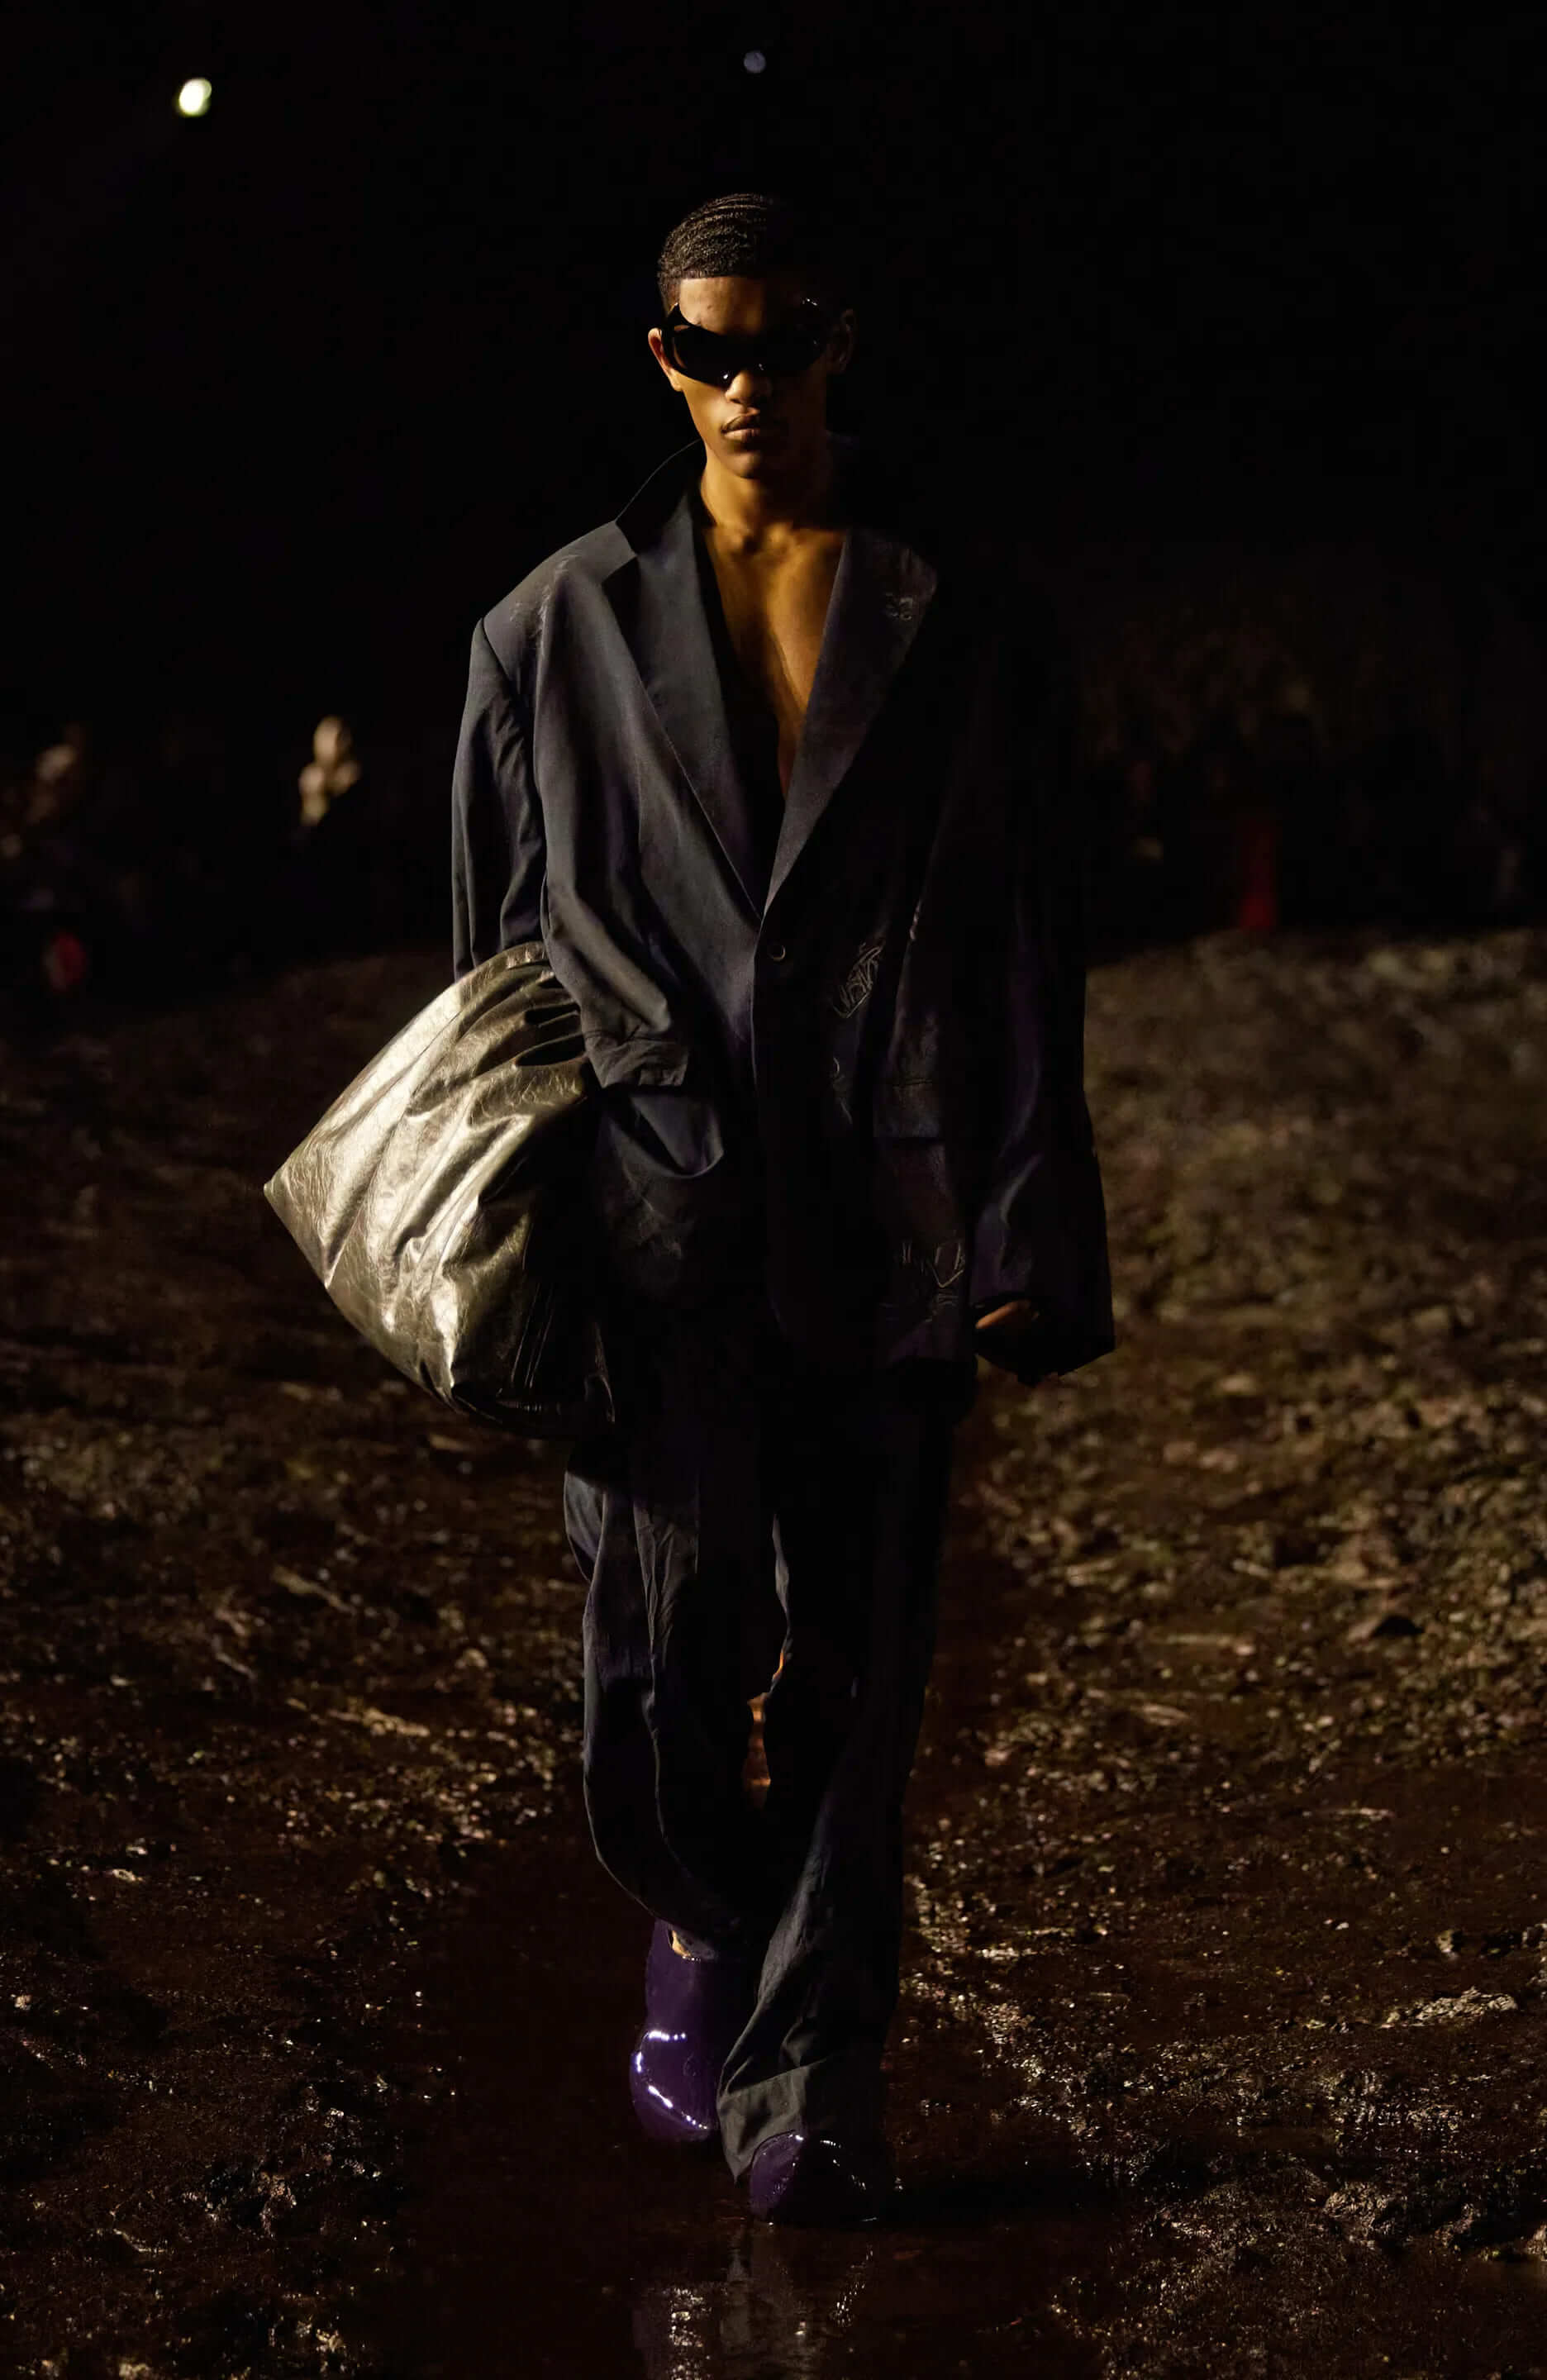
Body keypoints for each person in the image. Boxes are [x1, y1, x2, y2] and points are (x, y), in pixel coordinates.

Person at [450, 191, 1113, 2225]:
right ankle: (701, 1920)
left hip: (894, 1208)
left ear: (842, 340)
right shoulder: (547, 631)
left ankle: (814, 2081)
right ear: (661, 358)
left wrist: (1027, 1217)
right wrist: (519, 1246)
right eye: (707, 348)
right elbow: (493, 982)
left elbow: (1027, 937)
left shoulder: (958, 616)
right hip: (651, 1225)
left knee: (863, 1663)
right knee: (660, 1663)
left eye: (785, 339)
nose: (749, 383)